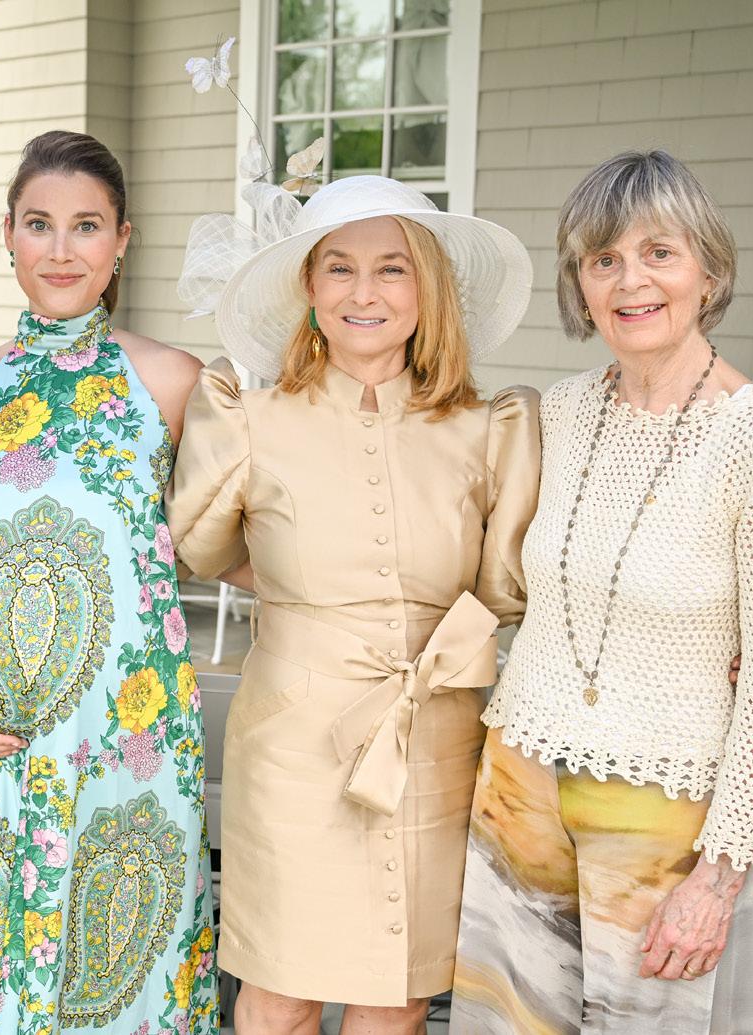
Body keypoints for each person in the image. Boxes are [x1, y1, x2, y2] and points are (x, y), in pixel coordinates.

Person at [451, 151, 753, 1033]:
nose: (630, 281)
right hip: (518, 785)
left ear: (708, 271)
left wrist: (719, 878)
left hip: (665, 820)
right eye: (603, 259)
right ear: (578, 285)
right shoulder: (558, 412)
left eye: (658, 252)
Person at [167, 174, 538, 1034]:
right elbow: (206, 549)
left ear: (429, 288)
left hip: (437, 739)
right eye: (338, 267)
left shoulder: (489, 429)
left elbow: (502, 588)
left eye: (391, 268)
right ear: (309, 286)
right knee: (279, 995)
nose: (363, 292)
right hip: (293, 743)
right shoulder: (247, 418)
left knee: (397, 997)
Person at [0, 130, 218, 1035]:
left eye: (86, 225)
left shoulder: (175, 383)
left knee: (122, 988)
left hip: (129, 749)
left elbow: (230, 542)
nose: (60, 249)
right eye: (38, 223)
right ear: (7, 234)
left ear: (122, 239)